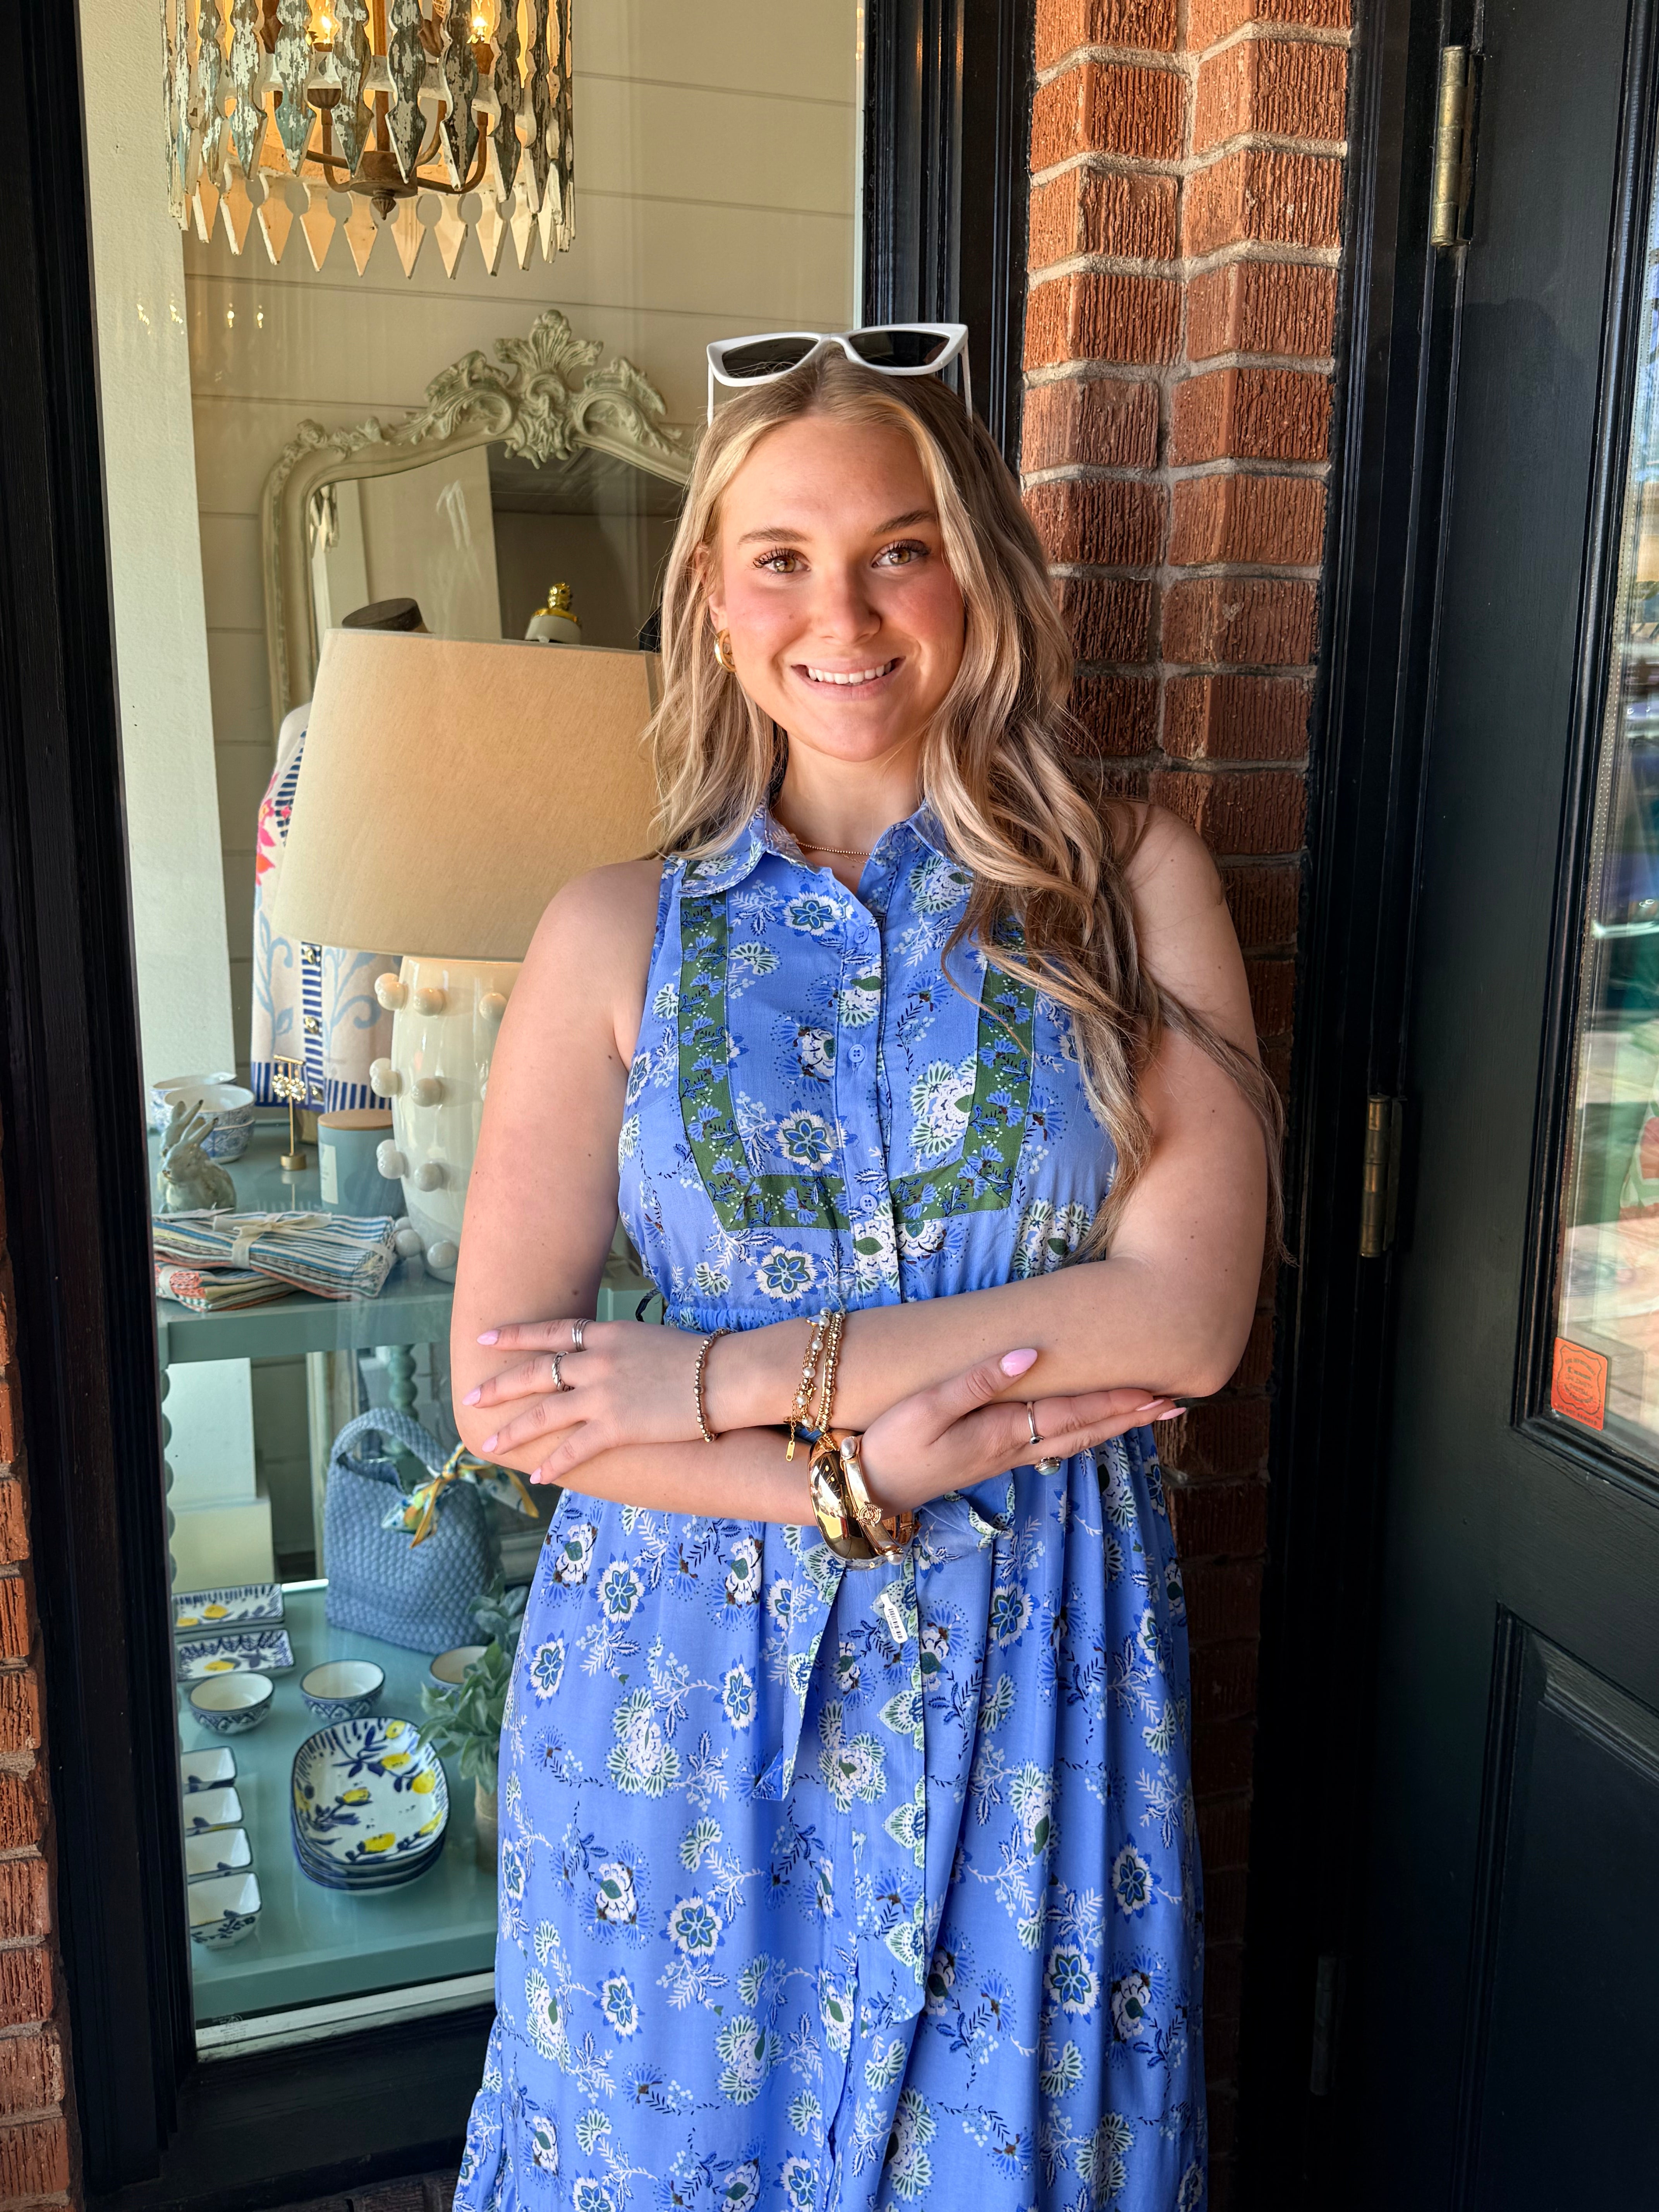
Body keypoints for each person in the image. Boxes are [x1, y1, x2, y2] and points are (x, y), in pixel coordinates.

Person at [447, 338, 1275, 2212]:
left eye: (900, 550)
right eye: (783, 560)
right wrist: (845, 1484)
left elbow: (1186, 1319)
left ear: (977, 572)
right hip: (681, 1690)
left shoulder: (1129, 888)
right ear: (712, 594)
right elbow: (507, 1393)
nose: (844, 614)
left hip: (1034, 1667)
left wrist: (719, 1379)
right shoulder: (611, 935)